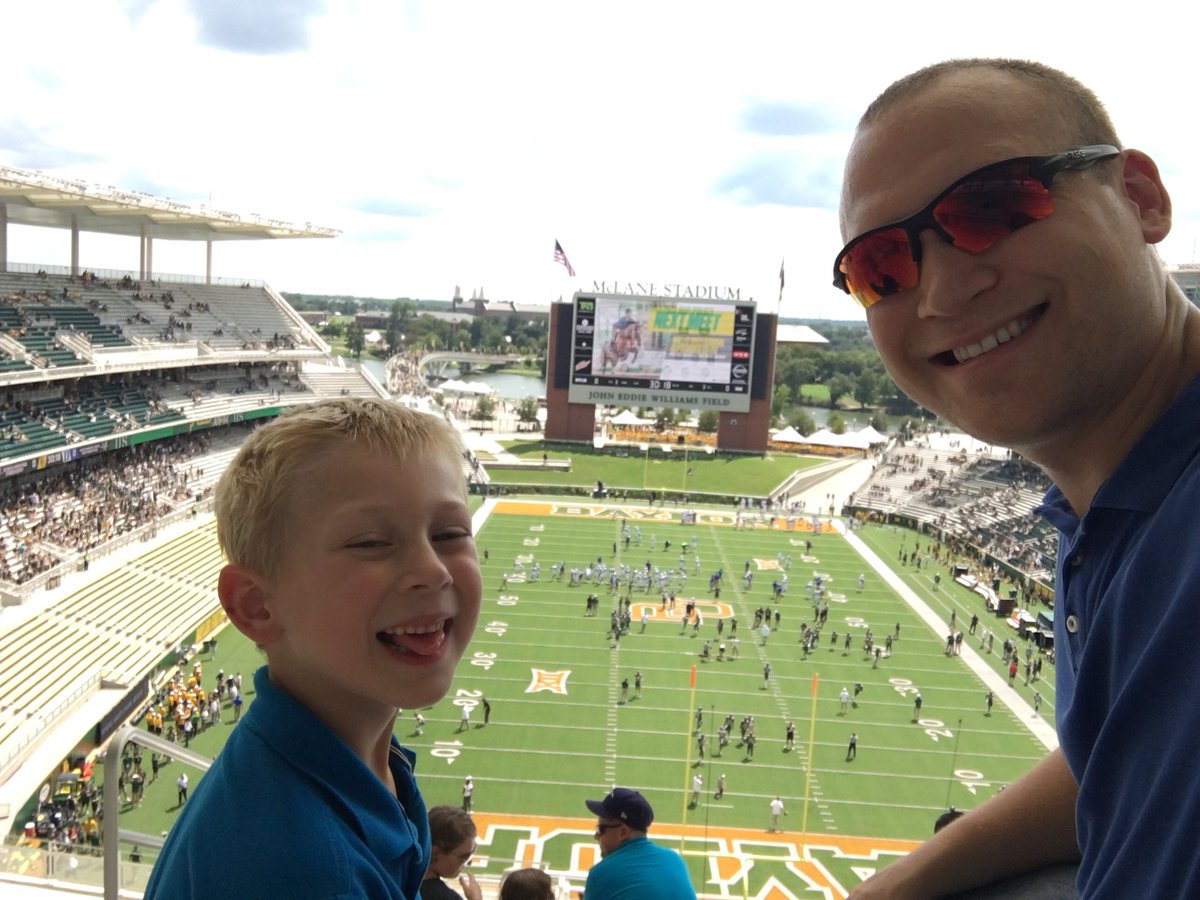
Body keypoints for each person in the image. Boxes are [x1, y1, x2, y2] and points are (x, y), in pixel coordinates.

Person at [838, 58, 1200, 900]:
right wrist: (905, 880)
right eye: (881, 267)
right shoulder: (1128, 504)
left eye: (995, 208)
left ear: (1140, 198)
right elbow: (1123, 751)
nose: (942, 292)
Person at [144, 398, 482, 899]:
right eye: (370, 542)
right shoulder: (309, 873)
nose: (434, 570)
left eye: (450, 533)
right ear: (257, 606)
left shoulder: (353, 764)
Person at [583, 787, 695, 899]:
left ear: (623, 832)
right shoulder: (674, 860)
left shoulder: (601, 875)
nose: (596, 836)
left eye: (600, 830)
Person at [421, 806, 482, 900]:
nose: (468, 862)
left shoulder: (400, 875)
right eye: (464, 857)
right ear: (435, 854)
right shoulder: (446, 897)